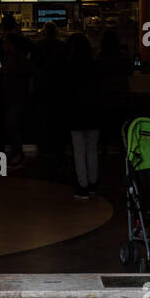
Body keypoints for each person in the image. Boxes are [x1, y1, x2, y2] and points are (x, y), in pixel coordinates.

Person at [65, 33, 100, 198]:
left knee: (79, 151)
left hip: (76, 113)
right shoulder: (95, 65)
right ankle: (93, 183)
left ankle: (83, 186)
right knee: (92, 149)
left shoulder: (70, 66)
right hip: (93, 111)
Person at [31, 22, 68, 162]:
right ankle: (58, 149)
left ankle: (45, 148)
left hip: (42, 88)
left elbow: (33, 66)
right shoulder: (63, 46)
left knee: (43, 120)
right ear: (57, 32)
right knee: (57, 121)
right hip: (59, 88)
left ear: (45, 32)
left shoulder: (38, 46)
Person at [0, 31, 33, 168]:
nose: (3, 44)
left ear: (11, 44)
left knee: (10, 125)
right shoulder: (16, 58)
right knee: (12, 125)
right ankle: (18, 154)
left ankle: (19, 154)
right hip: (15, 97)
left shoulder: (14, 58)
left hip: (15, 97)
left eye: (5, 42)